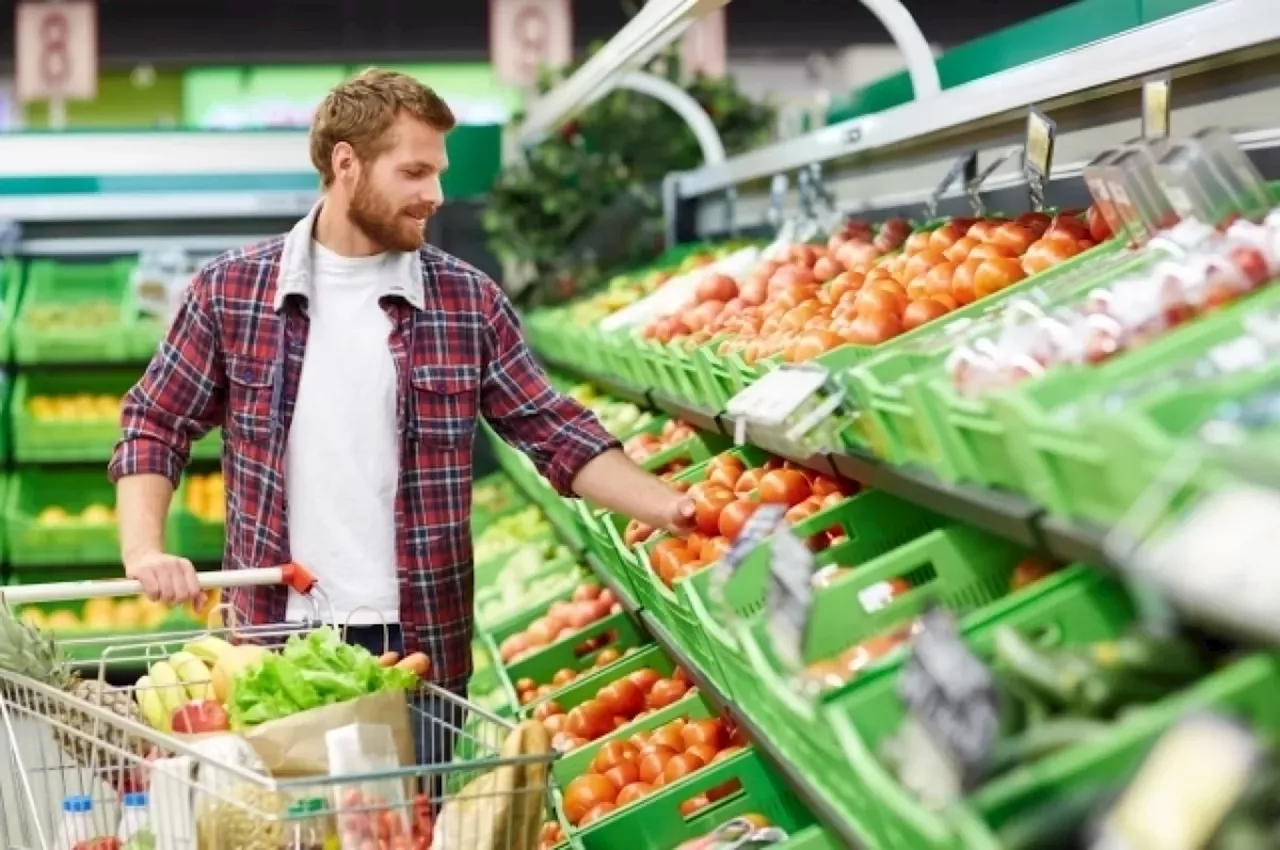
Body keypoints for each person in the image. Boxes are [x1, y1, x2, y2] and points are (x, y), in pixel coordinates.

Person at [108, 68, 695, 759]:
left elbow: (554, 435)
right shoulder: (233, 292)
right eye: (414, 172)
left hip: (420, 650)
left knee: (415, 827)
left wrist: (677, 511)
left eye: (438, 173)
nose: (436, 195)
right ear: (346, 163)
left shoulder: (465, 301)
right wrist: (144, 549)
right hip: (275, 642)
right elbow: (154, 421)